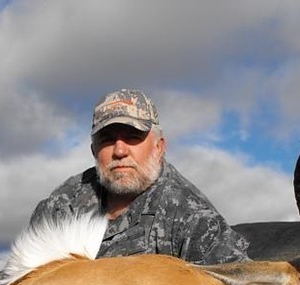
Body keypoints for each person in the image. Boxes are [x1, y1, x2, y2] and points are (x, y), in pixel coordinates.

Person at [29, 88, 249, 265]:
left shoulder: (194, 219)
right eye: (107, 140)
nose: (120, 151)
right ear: (94, 151)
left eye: (133, 137)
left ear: (159, 147)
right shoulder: (63, 204)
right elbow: (23, 281)